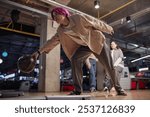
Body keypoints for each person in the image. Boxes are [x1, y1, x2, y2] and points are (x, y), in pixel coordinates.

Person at [32, 7, 127, 96]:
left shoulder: (78, 18)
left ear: (63, 14)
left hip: (96, 41)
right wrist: (39, 52)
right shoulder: (60, 30)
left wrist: (107, 28)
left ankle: (119, 89)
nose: (54, 17)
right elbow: (52, 41)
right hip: (84, 46)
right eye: (53, 16)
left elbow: (94, 22)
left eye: (56, 14)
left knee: (109, 66)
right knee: (75, 59)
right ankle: (77, 90)